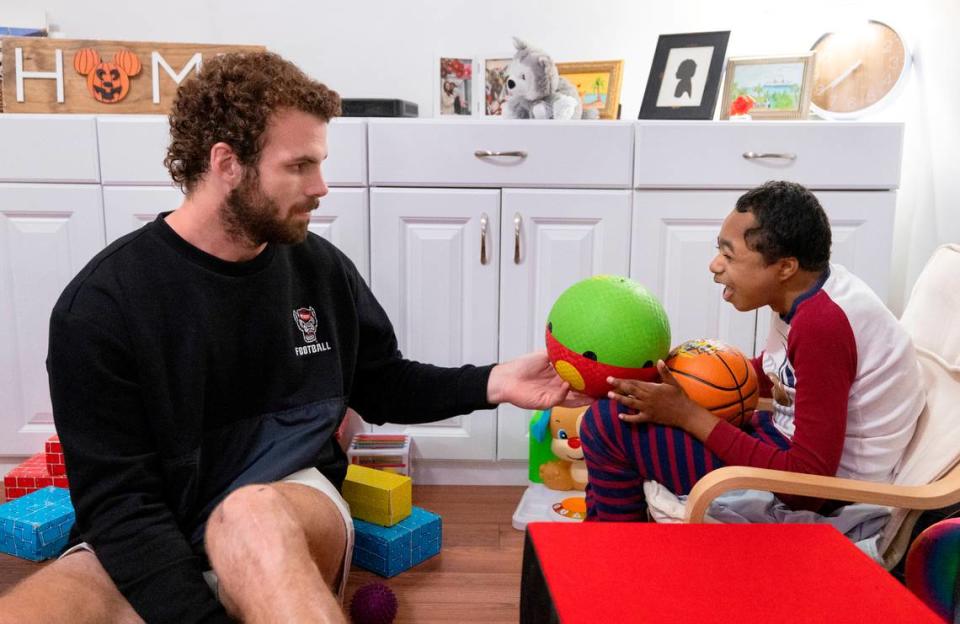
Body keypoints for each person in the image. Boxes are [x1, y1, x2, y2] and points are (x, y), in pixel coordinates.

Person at [0, 51, 587, 624]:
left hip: (288, 497)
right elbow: (122, 507)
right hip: (153, 525)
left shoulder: (320, 270)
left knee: (249, 516)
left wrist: (494, 382)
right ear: (227, 163)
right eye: (300, 165)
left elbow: (381, 384)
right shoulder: (100, 308)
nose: (322, 186)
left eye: (320, 162)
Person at [581, 180, 925, 521]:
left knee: (607, 425)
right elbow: (778, 375)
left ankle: (617, 552)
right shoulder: (807, 292)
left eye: (728, 255)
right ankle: (599, 542)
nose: (715, 265)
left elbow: (808, 482)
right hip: (783, 448)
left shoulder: (823, 325)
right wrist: (675, 376)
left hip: (822, 494)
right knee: (621, 404)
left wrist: (686, 413)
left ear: (785, 267)